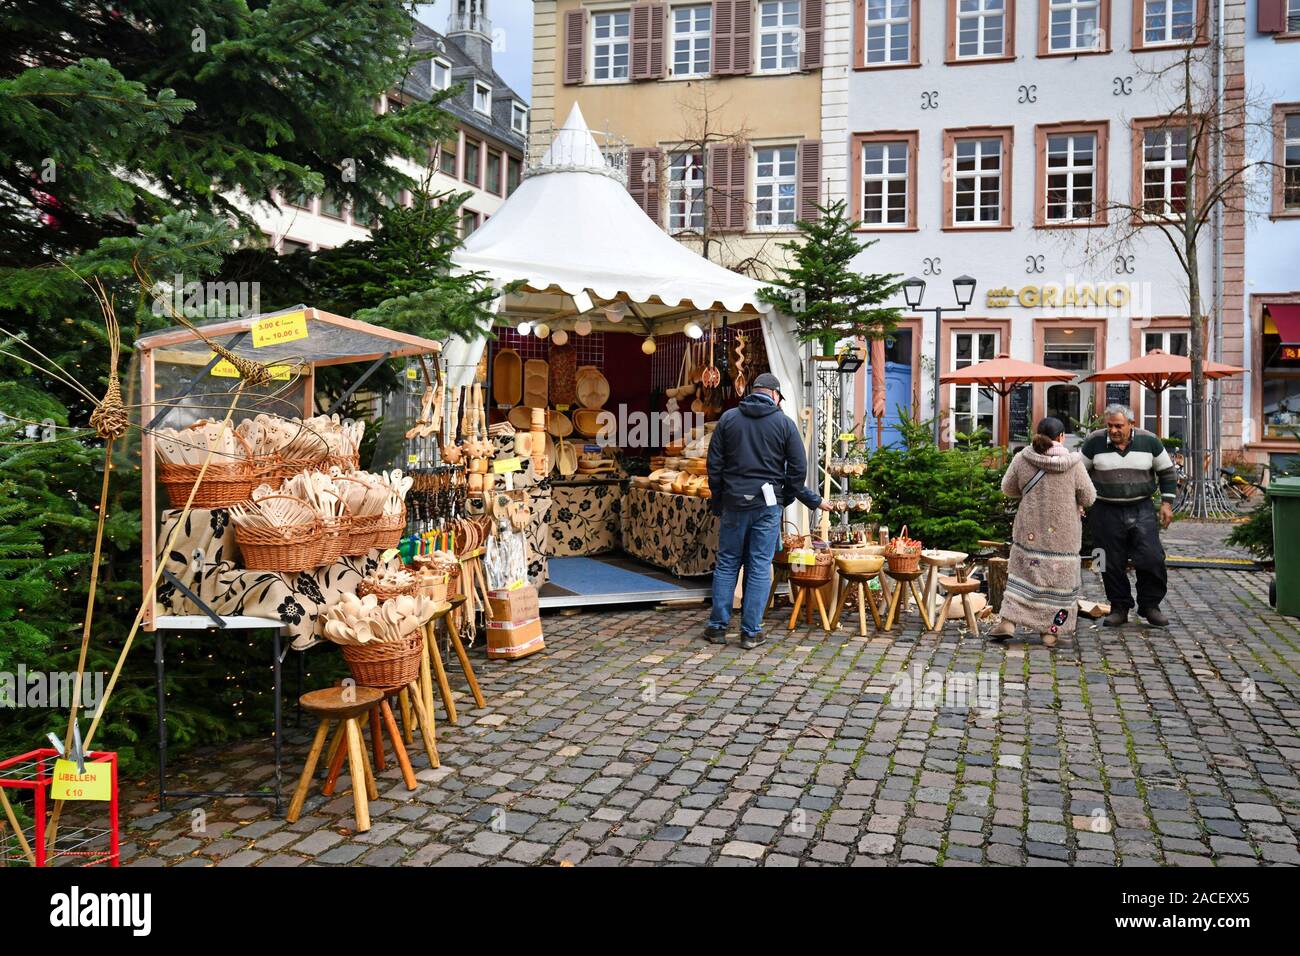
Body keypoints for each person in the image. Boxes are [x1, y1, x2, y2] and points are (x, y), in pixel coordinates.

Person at [704, 372, 832, 649]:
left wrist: (719, 498)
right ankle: (751, 632)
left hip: (734, 503)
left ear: (754, 391)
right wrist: (784, 497)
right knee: (760, 565)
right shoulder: (784, 424)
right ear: (774, 395)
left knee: (727, 563)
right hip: (767, 504)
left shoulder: (728, 419)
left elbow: (714, 465)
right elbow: (798, 469)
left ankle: (717, 628)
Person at [989, 417, 1096, 647]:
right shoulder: (1074, 464)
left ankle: (1008, 622)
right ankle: (1051, 631)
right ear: (1061, 437)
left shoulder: (1022, 458)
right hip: (1064, 538)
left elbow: (1007, 488)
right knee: (1060, 584)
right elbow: (1089, 497)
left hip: (1030, 532)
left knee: (1022, 577)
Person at [1080, 404, 1177, 627]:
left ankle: (1150, 606)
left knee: (1152, 557)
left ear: (1131, 425)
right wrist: (1079, 501)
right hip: (1104, 509)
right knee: (1106, 561)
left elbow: (1167, 472)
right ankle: (1119, 607)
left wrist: (1167, 503)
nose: (1113, 430)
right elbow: (1078, 473)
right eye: (1110, 426)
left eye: (1119, 426)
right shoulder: (1094, 441)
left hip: (1141, 507)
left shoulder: (1149, 441)